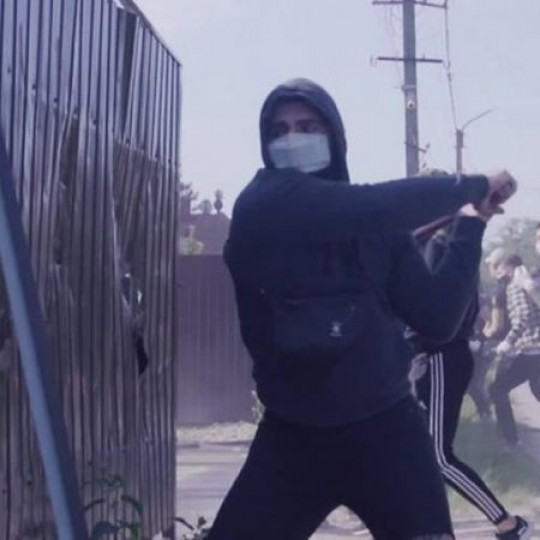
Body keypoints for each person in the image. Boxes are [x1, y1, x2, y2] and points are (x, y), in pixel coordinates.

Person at [209, 78, 517, 540]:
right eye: (279, 130)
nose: (292, 139)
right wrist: (473, 186)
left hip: (388, 433)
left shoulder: (375, 227)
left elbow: (436, 318)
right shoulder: (261, 208)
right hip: (293, 438)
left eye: (308, 127)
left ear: (334, 137)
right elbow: (372, 206)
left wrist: (470, 227)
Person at [409, 220, 531, 539]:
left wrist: (413, 344)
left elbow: (432, 311)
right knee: (415, 451)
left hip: (438, 355)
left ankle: (508, 524)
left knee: (437, 456)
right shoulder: (445, 246)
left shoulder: (439, 247)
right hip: (437, 354)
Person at [489, 254, 540, 447]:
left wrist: (508, 341)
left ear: (510, 267)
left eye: (500, 266)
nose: (497, 271)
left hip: (531, 349)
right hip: (531, 350)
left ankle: (511, 440)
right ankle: (510, 439)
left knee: (498, 388)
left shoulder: (515, 286)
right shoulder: (523, 281)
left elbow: (523, 316)